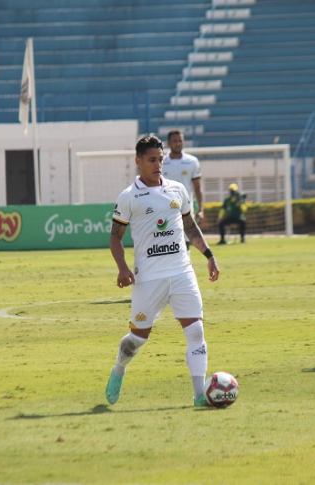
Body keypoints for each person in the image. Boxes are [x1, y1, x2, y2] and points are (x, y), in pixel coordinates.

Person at [107, 134, 220, 407]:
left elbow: (190, 227)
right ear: (139, 161)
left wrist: (209, 255)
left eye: (160, 159)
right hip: (148, 278)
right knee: (137, 339)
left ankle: (197, 396)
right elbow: (115, 237)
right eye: (151, 160)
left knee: (195, 332)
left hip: (182, 272)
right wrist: (122, 269)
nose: (158, 165)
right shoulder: (129, 197)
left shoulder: (177, 190)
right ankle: (119, 369)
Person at [162, 130, 205, 244]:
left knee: (186, 241)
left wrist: (201, 209)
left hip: (185, 208)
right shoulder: (161, 162)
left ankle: (186, 262)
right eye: (175, 141)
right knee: (167, 242)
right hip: (164, 208)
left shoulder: (192, 161)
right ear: (168, 143)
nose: (178, 143)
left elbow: (197, 188)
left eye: (180, 140)